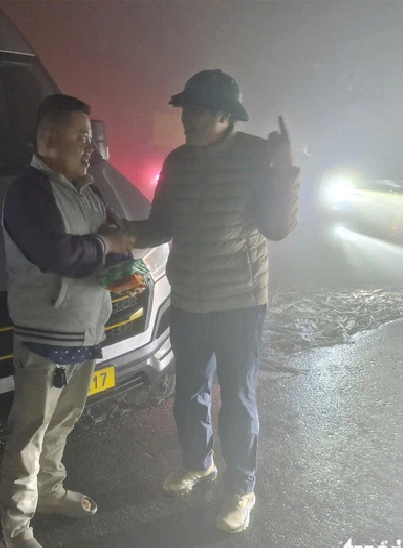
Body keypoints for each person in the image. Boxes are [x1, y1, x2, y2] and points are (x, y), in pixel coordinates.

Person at [121, 69, 300, 533]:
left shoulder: (258, 157)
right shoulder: (178, 161)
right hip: (189, 300)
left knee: (237, 400)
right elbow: (162, 223)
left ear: (224, 115)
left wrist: (284, 171)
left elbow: (278, 228)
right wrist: (122, 234)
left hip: (240, 301)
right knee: (188, 393)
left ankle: (241, 488)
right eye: (185, 109)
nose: (187, 118)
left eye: (197, 110)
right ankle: (199, 464)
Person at [0, 94, 134, 548]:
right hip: (44, 335)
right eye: (80, 138)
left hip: (85, 329)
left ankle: (50, 494)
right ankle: (14, 529)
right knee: (30, 433)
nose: (90, 148)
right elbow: (57, 254)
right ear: (48, 140)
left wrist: (120, 269)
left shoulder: (87, 189)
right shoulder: (28, 192)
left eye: (91, 138)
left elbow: (115, 238)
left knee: (64, 421)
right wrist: (108, 247)